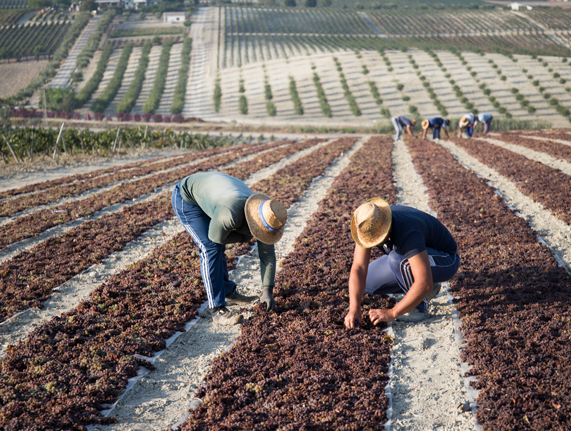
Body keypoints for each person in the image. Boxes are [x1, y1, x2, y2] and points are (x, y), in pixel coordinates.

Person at [171, 172, 287, 325]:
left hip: (216, 194)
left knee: (217, 245)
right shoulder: (231, 214)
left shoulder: (265, 214)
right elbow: (215, 236)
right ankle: (217, 310)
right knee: (210, 248)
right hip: (187, 198)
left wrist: (267, 290)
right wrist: (243, 238)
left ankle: (228, 293)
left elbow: (267, 256)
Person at [344, 199, 460, 327]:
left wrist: (392, 313)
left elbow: (424, 282)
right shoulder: (368, 224)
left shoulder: (407, 230)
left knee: (399, 260)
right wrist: (354, 308)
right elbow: (359, 268)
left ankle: (419, 308)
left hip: (446, 258)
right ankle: (423, 292)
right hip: (419, 257)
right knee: (367, 283)